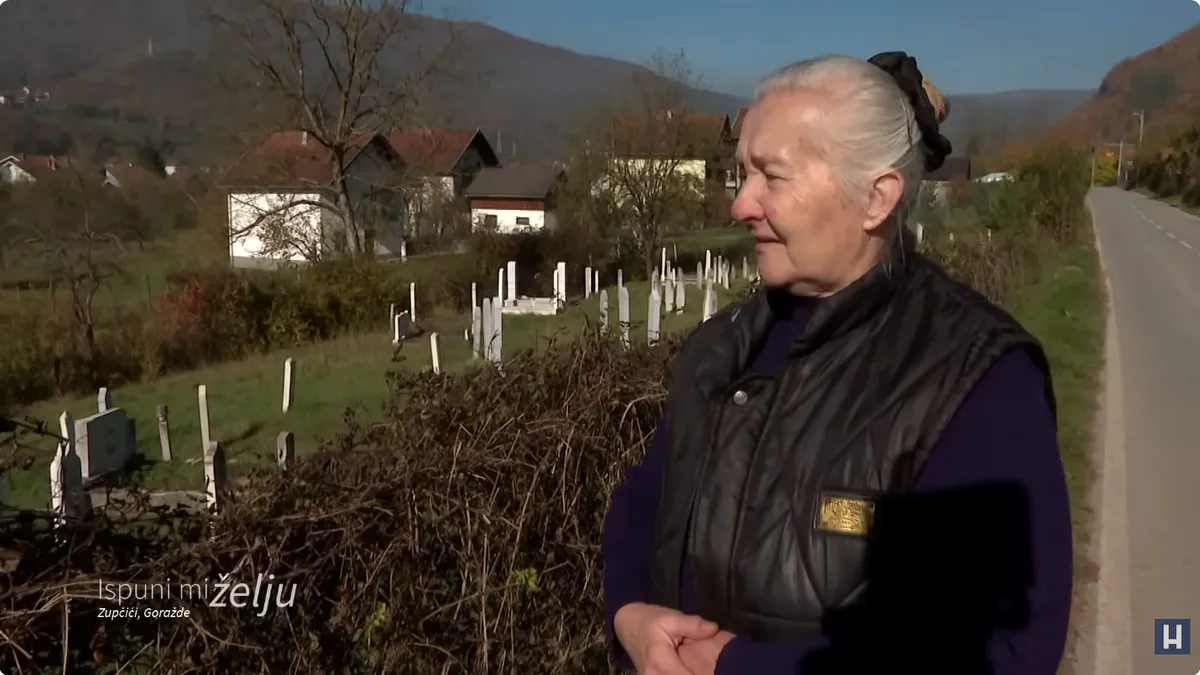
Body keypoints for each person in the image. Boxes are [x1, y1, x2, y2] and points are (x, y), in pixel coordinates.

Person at [601, 52, 1073, 675]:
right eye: (742, 174)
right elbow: (646, 499)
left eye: (772, 176)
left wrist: (740, 668)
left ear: (877, 198)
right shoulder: (720, 349)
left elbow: (999, 646)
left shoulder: (979, 377)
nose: (741, 205)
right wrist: (630, 614)